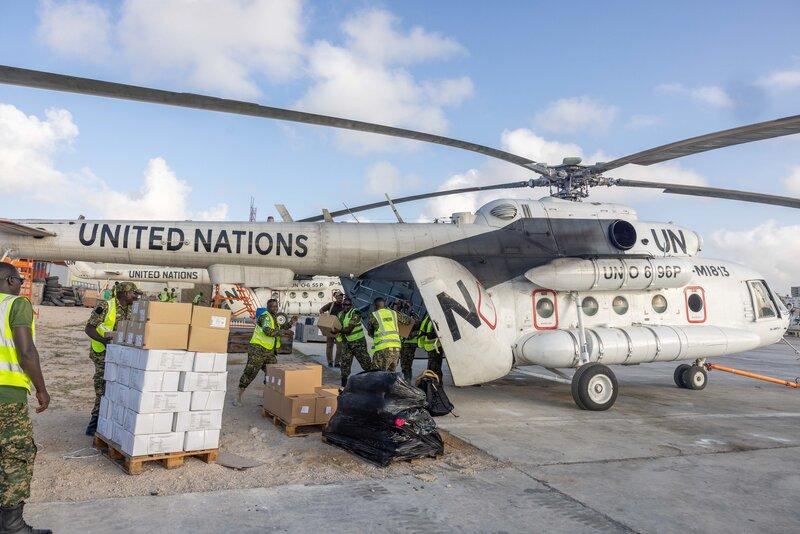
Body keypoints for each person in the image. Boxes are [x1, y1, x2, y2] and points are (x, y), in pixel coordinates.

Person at [0, 262, 51, 534]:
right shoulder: (15, 305)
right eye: (19, 279)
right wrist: (41, 389)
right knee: (16, 456)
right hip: (6, 396)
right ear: (9, 281)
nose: (21, 283)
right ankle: (12, 525)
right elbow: (26, 352)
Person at [84, 281, 140, 436]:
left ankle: (109, 420)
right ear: (124, 293)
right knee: (102, 386)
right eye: (133, 293)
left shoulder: (132, 308)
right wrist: (104, 341)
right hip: (102, 352)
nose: (136, 296)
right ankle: (93, 424)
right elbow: (89, 328)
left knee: (117, 385)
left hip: (120, 354)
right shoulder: (106, 306)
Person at [234, 299, 296, 406]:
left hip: (269, 351)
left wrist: (291, 322)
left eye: (276, 306)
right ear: (268, 307)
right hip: (257, 350)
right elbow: (268, 332)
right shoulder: (265, 317)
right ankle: (237, 397)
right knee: (250, 373)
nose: (275, 308)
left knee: (273, 373)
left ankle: (268, 397)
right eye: (272, 307)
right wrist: (285, 332)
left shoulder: (274, 317)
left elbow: (280, 328)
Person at [331, 298, 372, 387]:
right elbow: (338, 325)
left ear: (351, 305)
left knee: (366, 364)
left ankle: (372, 384)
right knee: (344, 366)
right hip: (347, 343)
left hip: (358, 343)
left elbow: (349, 330)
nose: (346, 307)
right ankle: (343, 387)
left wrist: (337, 330)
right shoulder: (340, 314)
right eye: (344, 305)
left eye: (348, 305)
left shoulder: (355, 313)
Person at [367, 298, 411, 372]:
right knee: (390, 375)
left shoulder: (374, 315)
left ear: (374, 305)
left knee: (377, 374)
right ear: (385, 305)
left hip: (383, 348)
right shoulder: (393, 313)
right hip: (396, 348)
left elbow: (370, 332)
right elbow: (408, 321)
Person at [395, 300, 420, 383]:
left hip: (409, 344)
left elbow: (417, 325)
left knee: (406, 365)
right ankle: (406, 381)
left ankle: (407, 383)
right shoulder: (399, 314)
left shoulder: (413, 315)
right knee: (402, 364)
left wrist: (410, 311)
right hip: (401, 343)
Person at [319, 291, 344, 367]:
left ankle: (337, 362)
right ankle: (330, 361)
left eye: (341, 297)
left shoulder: (344, 305)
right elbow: (321, 310)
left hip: (339, 329)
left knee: (340, 347)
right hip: (330, 329)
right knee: (329, 346)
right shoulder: (331, 304)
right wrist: (325, 319)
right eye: (339, 297)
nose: (340, 298)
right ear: (335, 297)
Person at [418, 313, 444, 382]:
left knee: (435, 368)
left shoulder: (436, 316)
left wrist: (433, 334)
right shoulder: (428, 315)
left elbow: (442, 331)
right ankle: (433, 384)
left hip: (436, 347)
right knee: (431, 368)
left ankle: (437, 385)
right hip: (431, 347)